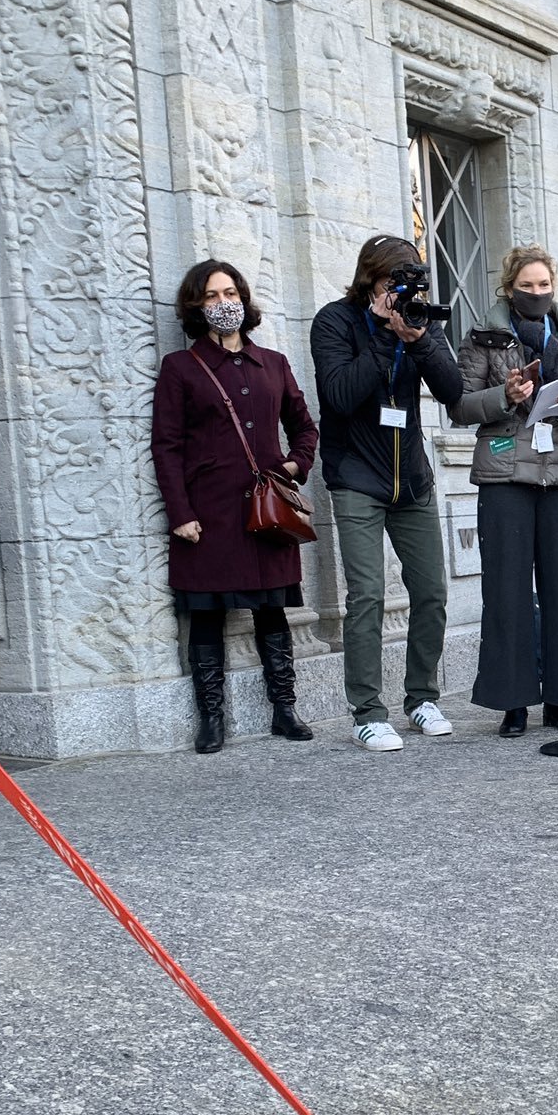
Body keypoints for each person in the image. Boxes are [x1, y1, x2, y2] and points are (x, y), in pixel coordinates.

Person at [152, 261, 319, 754]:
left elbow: (304, 427)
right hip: (209, 511)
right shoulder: (181, 367)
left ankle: (285, 711)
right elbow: (167, 445)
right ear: (196, 307)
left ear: (243, 299)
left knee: (273, 609)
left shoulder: (274, 362)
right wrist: (180, 512)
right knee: (206, 612)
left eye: (230, 292)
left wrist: (294, 465)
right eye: (211, 296)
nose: (223, 303)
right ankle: (211, 720)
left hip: (268, 511)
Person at [310, 235, 464, 753]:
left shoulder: (422, 321)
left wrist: (417, 339)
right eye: (391, 283)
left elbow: (454, 393)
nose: (400, 294)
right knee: (369, 596)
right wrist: (381, 337)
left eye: (408, 283)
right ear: (370, 280)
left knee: (432, 594)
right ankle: (368, 712)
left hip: (412, 478)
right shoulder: (334, 321)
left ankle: (421, 697)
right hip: (357, 478)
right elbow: (339, 394)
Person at [452, 246, 558, 738]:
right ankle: (513, 702)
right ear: (509, 286)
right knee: (507, 591)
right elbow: (460, 404)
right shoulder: (483, 337)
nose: (536, 293)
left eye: (544, 285)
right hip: (504, 471)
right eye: (527, 286)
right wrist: (506, 396)